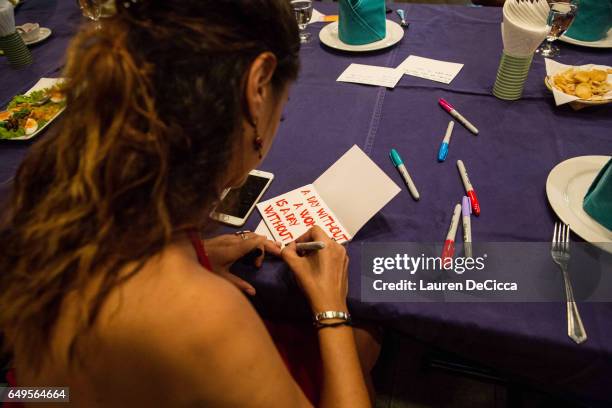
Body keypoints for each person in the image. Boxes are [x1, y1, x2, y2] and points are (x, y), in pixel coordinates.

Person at [0, 0, 380, 406]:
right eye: (280, 112)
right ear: (257, 87)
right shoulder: (204, 318)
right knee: (362, 341)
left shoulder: (56, 182)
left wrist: (199, 258)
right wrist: (331, 309)